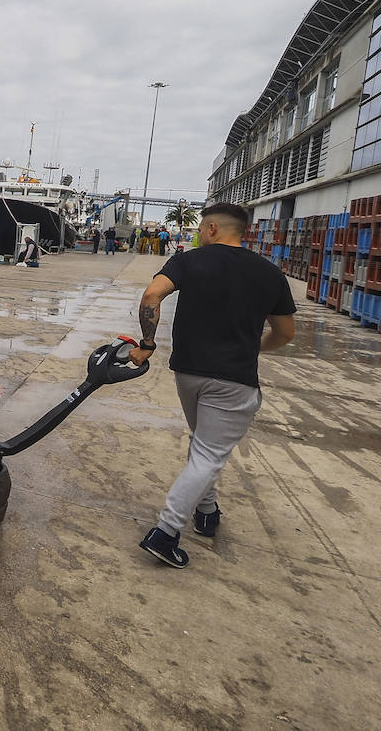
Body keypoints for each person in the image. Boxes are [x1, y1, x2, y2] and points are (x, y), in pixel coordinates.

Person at [131, 202, 295, 568]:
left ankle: (207, 511)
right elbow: (285, 333)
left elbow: (151, 296)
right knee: (208, 453)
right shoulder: (270, 274)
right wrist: (255, 348)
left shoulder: (189, 261)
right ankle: (166, 531)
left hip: (188, 374)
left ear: (210, 229)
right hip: (234, 379)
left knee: (203, 446)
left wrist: (146, 345)